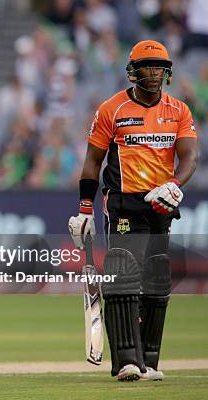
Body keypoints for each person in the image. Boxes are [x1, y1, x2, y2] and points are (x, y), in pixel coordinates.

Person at [68, 40, 198, 382]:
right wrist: (85, 211)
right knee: (123, 275)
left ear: (167, 72)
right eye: (147, 67)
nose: (154, 73)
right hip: (124, 203)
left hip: (162, 205)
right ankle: (126, 361)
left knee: (156, 279)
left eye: (159, 67)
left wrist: (174, 185)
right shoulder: (112, 109)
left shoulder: (179, 111)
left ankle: (150, 361)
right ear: (133, 71)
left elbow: (189, 158)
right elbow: (92, 162)